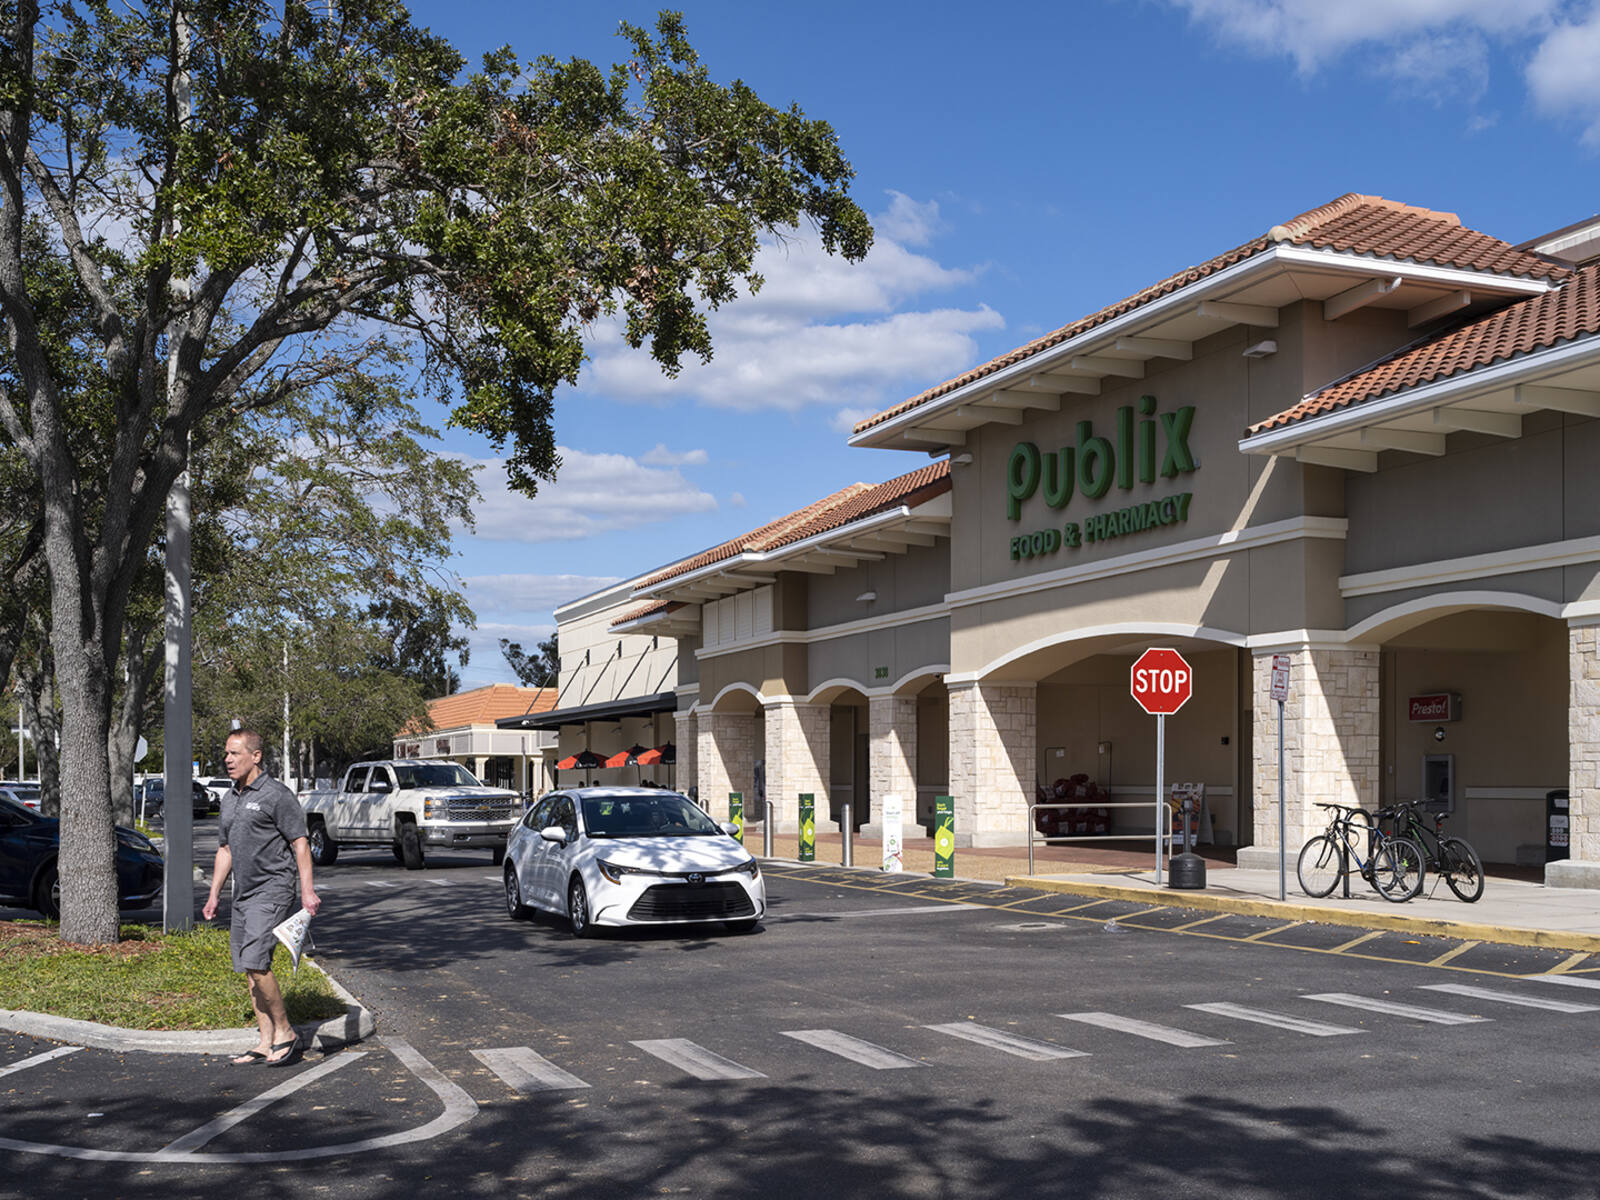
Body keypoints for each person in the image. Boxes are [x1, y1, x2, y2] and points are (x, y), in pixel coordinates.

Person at [202, 728, 321, 1068]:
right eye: (226, 753)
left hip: (273, 888)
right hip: (243, 892)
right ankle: (265, 1040)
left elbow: (300, 843)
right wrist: (214, 895)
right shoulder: (230, 798)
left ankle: (285, 1031)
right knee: (247, 968)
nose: (227, 759)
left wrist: (307, 891)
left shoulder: (276, 795)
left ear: (255, 756)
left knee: (256, 960)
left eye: (235, 753)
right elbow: (225, 849)